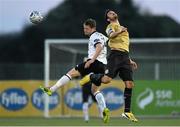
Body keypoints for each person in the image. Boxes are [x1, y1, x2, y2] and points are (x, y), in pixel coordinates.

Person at [40, 18, 110, 123]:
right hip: (103, 65)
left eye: (86, 28)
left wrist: (91, 60)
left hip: (94, 63)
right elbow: (111, 46)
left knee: (71, 73)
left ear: (93, 28)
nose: (84, 30)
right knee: (94, 90)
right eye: (84, 28)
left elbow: (99, 47)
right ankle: (104, 109)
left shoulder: (94, 36)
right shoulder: (103, 36)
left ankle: (52, 89)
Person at [80, 10, 138, 122]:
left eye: (112, 12)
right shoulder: (110, 26)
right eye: (109, 14)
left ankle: (127, 112)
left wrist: (129, 60)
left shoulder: (123, 28)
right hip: (115, 56)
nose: (112, 13)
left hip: (125, 56)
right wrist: (119, 31)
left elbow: (123, 46)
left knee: (130, 84)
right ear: (108, 19)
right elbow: (111, 36)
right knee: (106, 80)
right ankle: (91, 77)